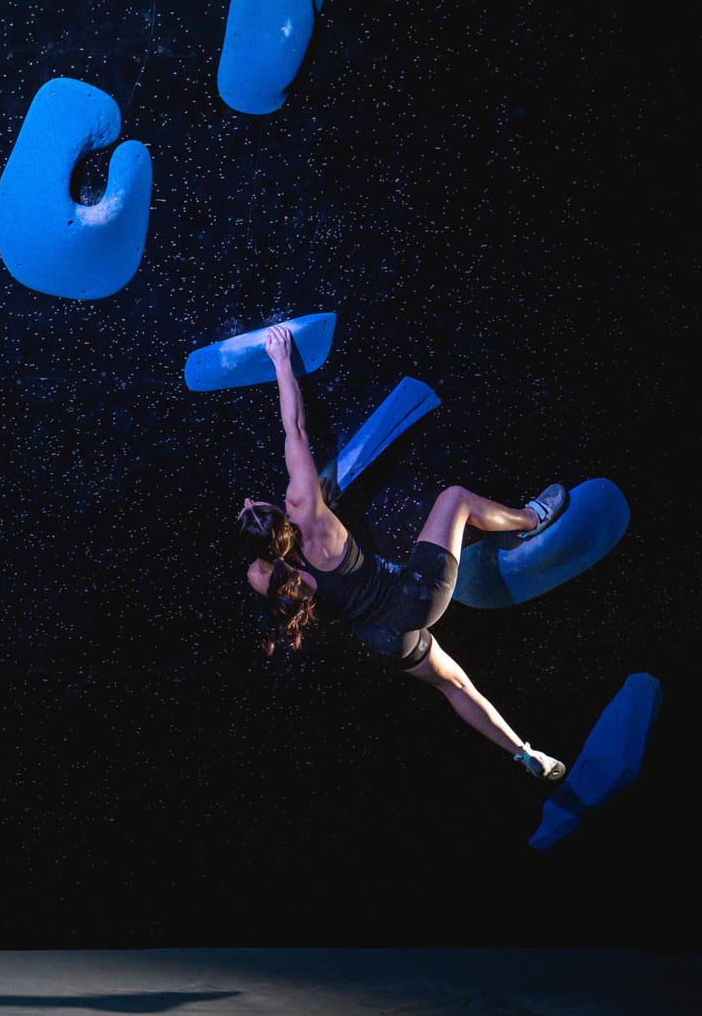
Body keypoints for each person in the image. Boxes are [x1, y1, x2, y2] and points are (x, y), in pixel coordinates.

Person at [236, 323, 571, 780]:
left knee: (455, 686)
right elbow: (293, 425)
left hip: (384, 640)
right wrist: (279, 360)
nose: (249, 501)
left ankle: (525, 753)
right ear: (281, 513)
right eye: (254, 505)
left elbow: (286, 578)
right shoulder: (305, 508)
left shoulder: (264, 578)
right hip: (415, 596)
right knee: (454, 498)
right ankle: (533, 518)